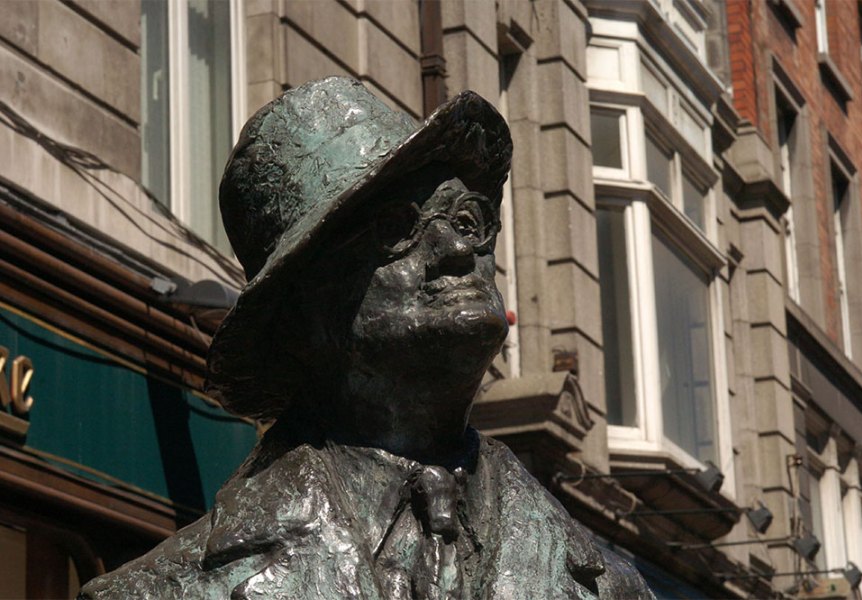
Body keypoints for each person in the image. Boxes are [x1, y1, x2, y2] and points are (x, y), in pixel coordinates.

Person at [80, 77, 654, 600]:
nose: (458, 251)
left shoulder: (616, 589)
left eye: (467, 220)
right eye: (399, 229)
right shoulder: (156, 594)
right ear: (301, 311)